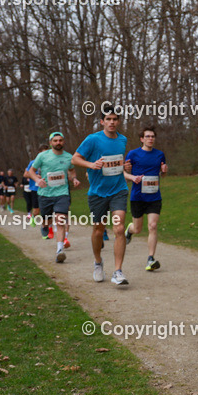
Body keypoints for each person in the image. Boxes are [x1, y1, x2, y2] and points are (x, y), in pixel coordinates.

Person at [72, 109, 136, 285]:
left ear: (118, 121)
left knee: (119, 228)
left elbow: (118, 163)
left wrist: (125, 168)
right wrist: (91, 165)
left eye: (115, 119)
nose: (112, 122)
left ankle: (118, 271)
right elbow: (75, 159)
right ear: (102, 122)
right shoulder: (92, 139)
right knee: (98, 231)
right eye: (108, 119)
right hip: (97, 193)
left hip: (118, 190)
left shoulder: (122, 140)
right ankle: (98, 262)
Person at [28, 132, 81, 263]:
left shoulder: (68, 157)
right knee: (47, 220)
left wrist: (74, 178)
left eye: (60, 140)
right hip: (45, 194)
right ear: (51, 142)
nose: (58, 142)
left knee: (60, 219)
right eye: (55, 140)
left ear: (63, 141)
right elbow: (31, 171)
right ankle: (45, 225)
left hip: (62, 193)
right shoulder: (42, 156)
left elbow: (72, 170)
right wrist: (37, 180)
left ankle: (59, 250)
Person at [124, 126, 167, 272]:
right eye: (147, 136)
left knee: (152, 226)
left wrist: (164, 171)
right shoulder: (133, 154)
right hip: (138, 196)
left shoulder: (160, 154)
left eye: (152, 136)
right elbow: (123, 172)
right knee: (137, 229)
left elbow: (162, 174)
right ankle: (129, 230)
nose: (150, 139)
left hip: (154, 196)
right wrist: (132, 177)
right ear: (142, 139)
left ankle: (150, 258)